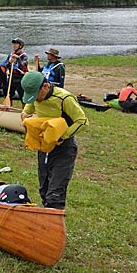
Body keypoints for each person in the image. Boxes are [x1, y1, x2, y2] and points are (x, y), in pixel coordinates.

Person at [20, 71, 88, 209]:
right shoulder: (35, 98)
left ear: (45, 86)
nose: (35, 99)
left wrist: (61, 136)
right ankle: (47, 222)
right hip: (44, 146)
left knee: (55, 194)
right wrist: (25, 116)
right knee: (44, 190)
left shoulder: (64, 98)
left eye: (35, 95)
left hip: (63, 148)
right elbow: (28, 109)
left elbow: (82, 121)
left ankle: (54, 223)